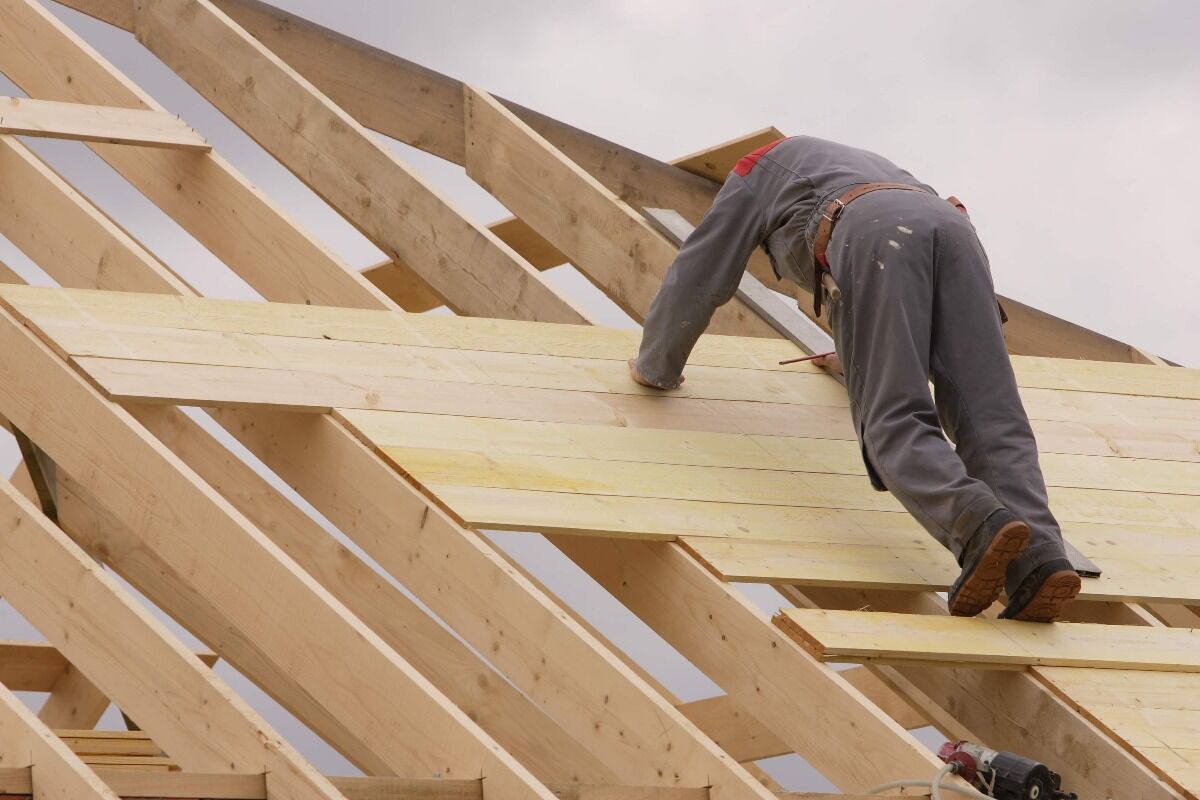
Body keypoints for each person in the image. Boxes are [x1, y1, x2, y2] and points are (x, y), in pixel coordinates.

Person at [629, 135, 1081, 622]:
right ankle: (1039, 558)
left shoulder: (753, 170)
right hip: (953, 228)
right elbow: (913, 318)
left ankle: (975, 523)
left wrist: (656, 367)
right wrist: (851, 356)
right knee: (991, 415)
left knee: (892, 419)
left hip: (874, 232)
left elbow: (698, 276)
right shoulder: (858, 162)